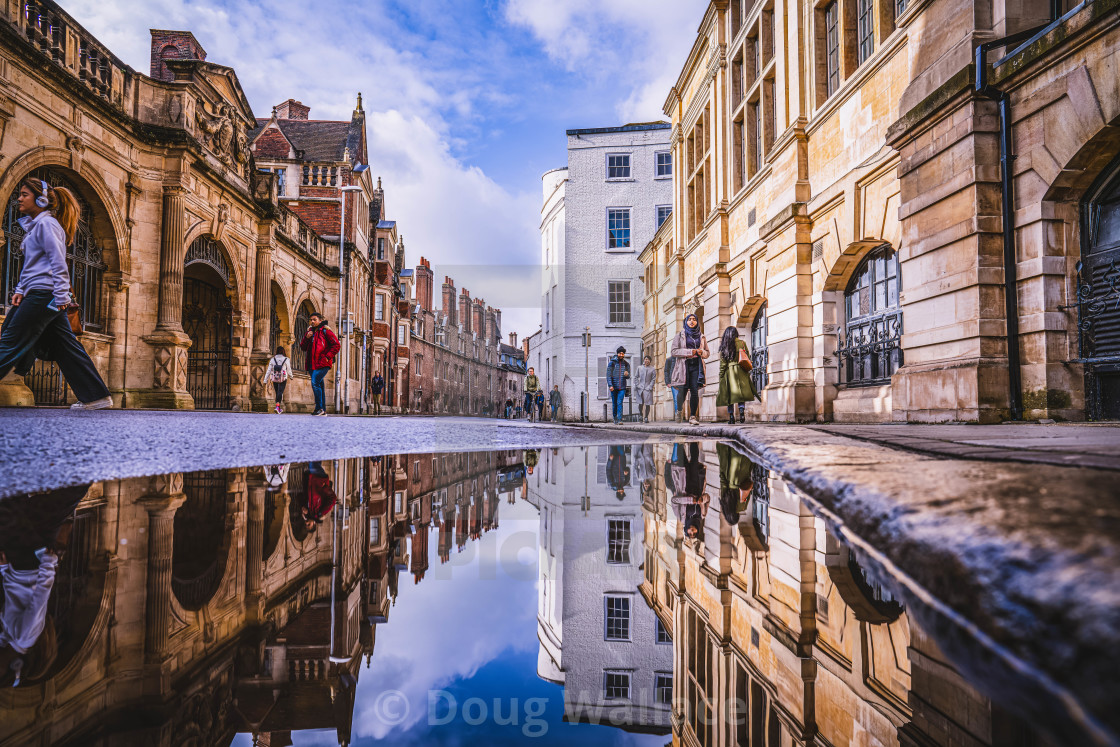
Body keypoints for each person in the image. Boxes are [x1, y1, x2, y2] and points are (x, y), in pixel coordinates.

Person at [0, 178, 113, 410]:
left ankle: (95, 396)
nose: (19, 198)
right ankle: (96, 397)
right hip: (40, 293)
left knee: (9, 341)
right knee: (65, 345)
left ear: (41, 199)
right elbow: (33, 265)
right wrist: (21, 290)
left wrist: (61, 297)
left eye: (24, 194)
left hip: (45, 295)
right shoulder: (37, 226)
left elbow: (58, 263)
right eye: (19, 194)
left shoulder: (47, 225)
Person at [670, 313, 710, 425]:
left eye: (694, 319)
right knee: (682, 391)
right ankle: (679, 411)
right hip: (684, 365)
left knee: (694, 391)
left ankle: (693, 417)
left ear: (697, 322)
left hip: (697, 365)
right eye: (689, 320)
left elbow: (708, 353)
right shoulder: (679, 335)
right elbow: (673, 352)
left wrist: (702, 352)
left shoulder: (702, 336)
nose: (692, 321)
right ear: (686, 322)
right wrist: (689, 352)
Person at [298, 311, 340, 416]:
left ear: (320, 320)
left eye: (314, 320)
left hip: (322, 363)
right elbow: (303, 347)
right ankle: (323, 410)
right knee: (319, 385)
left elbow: (336, 345)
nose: (312, 322)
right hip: (312, 364)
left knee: (315, 382)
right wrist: (306, 337)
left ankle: (319, 408)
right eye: (311, 320)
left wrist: (327, 356)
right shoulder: (310, 332)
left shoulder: (326, 331)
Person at [716, 326, 760, 424]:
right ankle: (741, 412)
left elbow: (723, 364)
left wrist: (721, 376)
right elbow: (747, 356)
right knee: (741, 395)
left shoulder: (724, 345)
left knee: (729, 396)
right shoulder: (742, 343)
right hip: (741, 371)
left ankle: (731, 417)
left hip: (729, 372)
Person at [667, 441, 709, 539]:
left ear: (686, 530)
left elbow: (674, 500)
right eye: (695, 533)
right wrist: (702, 499)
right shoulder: (702, 515)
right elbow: (708, 498)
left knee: (683, 461)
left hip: (684, 485)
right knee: (695, 460)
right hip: (696, 484)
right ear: (698, 530)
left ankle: (681, 442)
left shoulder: (681, 517)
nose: (692, 532)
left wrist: (690, 500)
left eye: (690, 533)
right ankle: (693, 439)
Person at [262, 345, 293, 414]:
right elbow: (289, 369)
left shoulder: (273, 359)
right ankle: (277, 407)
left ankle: (278, 407)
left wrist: (265, 380)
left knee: (277, 392)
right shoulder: (286, 359)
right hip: (283, 377)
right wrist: (291, 376)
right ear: (283, 352)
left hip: (274, 377)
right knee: (280, 391)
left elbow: (268, 370)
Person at [606, 346, 631, 425]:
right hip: (614, 386)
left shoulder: (626, 364)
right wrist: (610, 385)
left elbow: (628, 376)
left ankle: (620, 419)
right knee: (615, 403)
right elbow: (608, 375)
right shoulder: (612, 363)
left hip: (622, 387)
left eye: (622, 353)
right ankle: (615, 418)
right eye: (620, 353)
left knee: (620, 402)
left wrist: (627, 375)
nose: (621, 355)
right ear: (617, 354)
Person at [634, 355, 656, 423]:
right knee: (640, 403)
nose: (647, 360)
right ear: (644, 360)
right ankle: (641, 415)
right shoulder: (639, 368)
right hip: (640, 388)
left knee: (648, 403)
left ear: (650, 361)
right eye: (645, 359)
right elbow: (636, 377)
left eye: (648, 359)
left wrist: (650, 387)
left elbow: (653, 379)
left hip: (648, 388)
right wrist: (637, 385)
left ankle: (646, 417)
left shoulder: (652, 369)